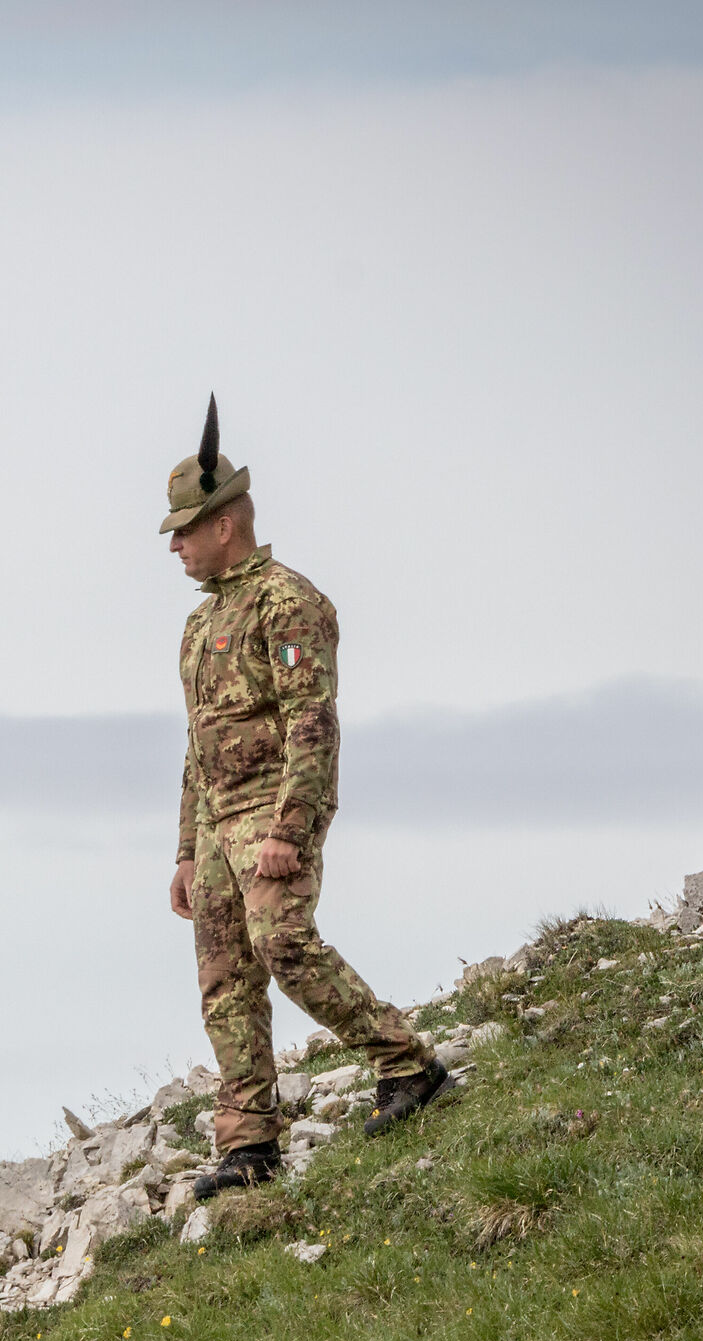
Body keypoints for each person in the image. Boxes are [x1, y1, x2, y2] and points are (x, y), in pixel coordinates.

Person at [163, 397, 446, 1199]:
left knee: (283, 944)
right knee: (225, 978)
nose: (176, 546)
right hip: (217, 827)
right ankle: (249, 1144)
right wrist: (187, 850)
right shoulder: (199, 625)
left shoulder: (288, 601)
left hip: (271, 813)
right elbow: (195, 743)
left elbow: (312, 722)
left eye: (185, 529)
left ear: (227, 523)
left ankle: (408, 1064)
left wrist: (292, 826)